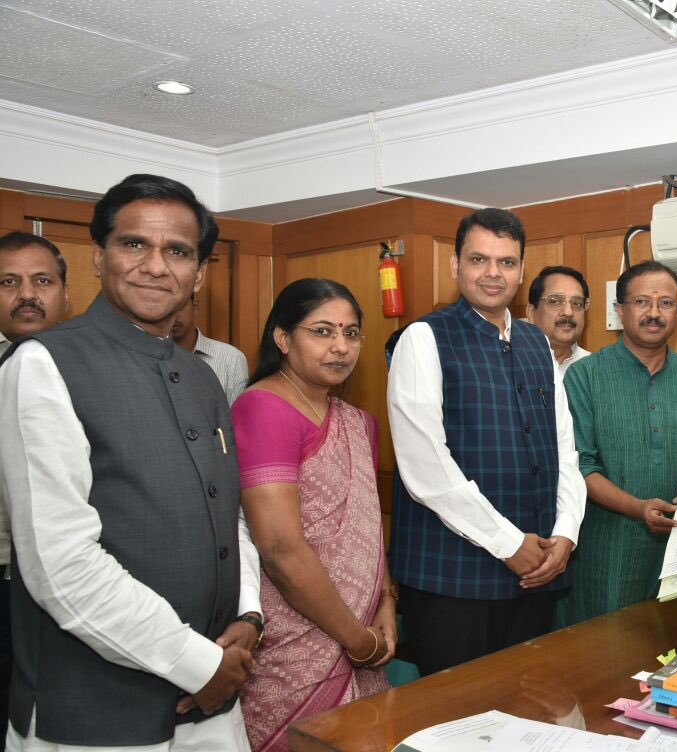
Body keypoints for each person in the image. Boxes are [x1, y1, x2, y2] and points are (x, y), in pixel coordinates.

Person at [0, 174, 260, 750]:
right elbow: (59, 563)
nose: (156, 266)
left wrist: (249, 618)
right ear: (97, 256)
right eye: (134, 244)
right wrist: (197, 662)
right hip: (96, 711)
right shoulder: (43, 363)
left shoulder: (202, 376)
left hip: (214, 701)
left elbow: (230, 519)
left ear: (199, 272)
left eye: (178, 251)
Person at [387, 208, 586, 675]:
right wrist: (508, 543)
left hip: (537, 573)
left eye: (506, 262)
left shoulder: (538, 342)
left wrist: (566, 533)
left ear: (520, 270)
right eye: (479, 260)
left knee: (526, 714)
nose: (493, 274)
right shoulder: (423, 338)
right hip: (453, 581)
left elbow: (564, 451)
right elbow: (426, 470)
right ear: (456, 265)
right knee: (455, 724)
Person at [232, 278, 395, 751]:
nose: (341, 347)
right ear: (283, 338)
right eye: (322, 331)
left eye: (351, 333)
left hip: (364, 631)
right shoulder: (262, 408)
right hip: (295, 642)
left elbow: (370, 525)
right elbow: (280, 549)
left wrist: (385, 605)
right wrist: (357, 640)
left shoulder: (358, 420)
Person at [555, 260, 677, 627]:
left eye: (666, 303)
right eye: (642, 302)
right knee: (603, 659)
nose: (654, 313)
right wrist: (637, 508)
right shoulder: (585, 376)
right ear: (620, 310)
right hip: (606, 553)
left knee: (673, 652)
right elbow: (580, 466)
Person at [0, 231, 70, 748]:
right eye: (9, 282)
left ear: (65, 292)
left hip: (69, 581)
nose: (27, 294)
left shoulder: (87, 369)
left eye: (41, 281)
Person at [171, 293, 249, 404]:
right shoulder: (145, 359)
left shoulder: (231, 359)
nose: (173, 315)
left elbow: (238, 418)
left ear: (195, 306)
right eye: (166, 308)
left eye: (180, 306)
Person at [526, 265, 590, 374]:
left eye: (577, 303)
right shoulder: (513, 363)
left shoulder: (596, 369)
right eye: (555, 301)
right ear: (531, 313)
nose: (568, 312)